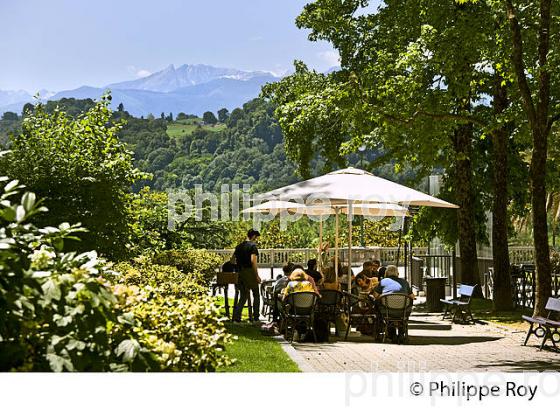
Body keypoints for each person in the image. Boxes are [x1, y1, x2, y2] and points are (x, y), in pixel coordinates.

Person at [232, 229, 261, 322]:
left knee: (243, 295)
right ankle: (256, 316)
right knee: (256, 293)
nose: (256, 239)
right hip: (249, 272)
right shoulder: (253, 247)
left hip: (239, 272)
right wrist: (256, 275)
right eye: (256, 237)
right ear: (253, 236)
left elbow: (232, 260)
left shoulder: (238, 246)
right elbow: (253, 261)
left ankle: (237, 317)